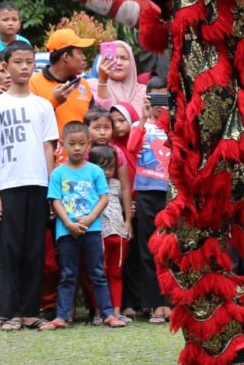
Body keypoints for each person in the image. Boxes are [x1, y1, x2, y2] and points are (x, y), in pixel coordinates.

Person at [0, 42, 59, 331]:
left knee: (35, 249)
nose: (25, 67)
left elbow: (48, 148)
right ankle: (10, 311)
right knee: (10, 249)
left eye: (29, 62)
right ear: (6, 66)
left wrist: (53, 191)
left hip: (38, 183)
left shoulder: (42, 105)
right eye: (18, 62)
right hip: (8, 184)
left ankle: (30, 311)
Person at [46, 121, 126, 329]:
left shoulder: (95, 171)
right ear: (62, 145)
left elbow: (103, 198)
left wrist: (90, 219)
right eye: (72, 144)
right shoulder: (58, 173)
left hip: (92, 230)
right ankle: (61, 316)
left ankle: (108, 314)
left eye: (81, 144)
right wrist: (68, 223)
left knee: (97, 272)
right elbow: (55, 200)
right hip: (66, 232)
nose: (77, 148)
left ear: (88, 144)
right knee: (67, 274)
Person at [124, 95, 172, 325]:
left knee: (170, 250)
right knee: (147, 251)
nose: (160, 106)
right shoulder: (139, 126)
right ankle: (155, 304)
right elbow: (131, 148)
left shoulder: (174, 127)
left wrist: (171, 118)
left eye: (165, 100)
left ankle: (169, 303)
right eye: (156, 100)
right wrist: (143, 118)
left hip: (169, 195)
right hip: (145, 194)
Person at [91, 144, 132, 319]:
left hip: (119, 232)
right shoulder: (90, 186)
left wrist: (128, 222)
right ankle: (100, 312)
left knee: (116, 274)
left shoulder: (116, 184)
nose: (107, 172)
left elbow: (126, 202)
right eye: (103, 167)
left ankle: (115, 312)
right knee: (100, 274)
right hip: (100, 233)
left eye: (111, 167)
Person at [32, 28, 97, 129]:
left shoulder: (83, 85)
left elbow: (93, 124)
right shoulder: (33, 84)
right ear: (66, 57)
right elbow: (30, 124)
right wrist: (54, 102)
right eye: (80, 53)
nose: (84, 57)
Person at [94, 38, 146, 121]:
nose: (118, 63)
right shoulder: (93, 87)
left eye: (124, 58)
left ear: (132, 63)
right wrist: (102, 82)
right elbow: (100, 115)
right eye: (113, 58)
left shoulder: (143, 91)